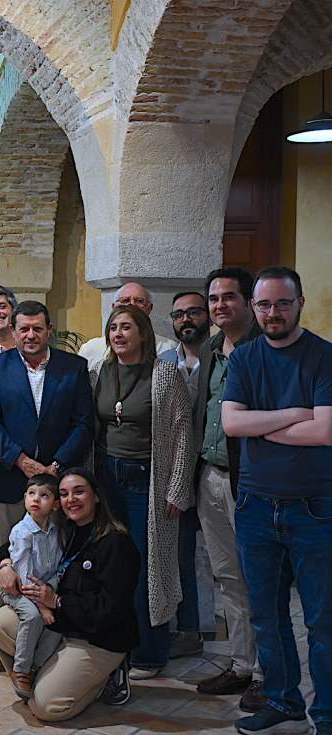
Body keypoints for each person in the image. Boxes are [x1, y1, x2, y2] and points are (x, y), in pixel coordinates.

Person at [223, 266, 332, 735]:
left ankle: (326, 715)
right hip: (255, 505)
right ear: (254, 307)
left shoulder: (324, 356)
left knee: (322, 620)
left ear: (299, 303)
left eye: (283, 303)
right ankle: (283, 703)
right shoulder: (245, 358)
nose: (273, 313)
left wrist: (263, 425)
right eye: (264, 304)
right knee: (266, 616)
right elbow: (232, 424)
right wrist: (293, 414)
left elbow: (324, 431)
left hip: (315, 506)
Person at [0, 300, 93, 664]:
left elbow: (84, 423)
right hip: (7, 476)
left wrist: (56, 466)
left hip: (57, 483)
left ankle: (52, 631)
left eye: (38, 328)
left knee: (55, 558)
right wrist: (21, 460)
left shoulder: (73, 367)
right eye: (24, 329)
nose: (31, 335)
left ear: (49, 329)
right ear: (13, 330)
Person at [0, 469, 140, 721]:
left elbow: (108, 611)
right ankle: (40, 675)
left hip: (98, 637)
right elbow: (12, 544)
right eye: (64, 494)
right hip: (62, 625)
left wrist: (57, 601)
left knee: (45, 707)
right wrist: (5, 565)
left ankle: (106, 677)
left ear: (96, 496)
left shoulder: (117, 544)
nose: (72, 499)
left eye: (79, 492)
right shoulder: (63, 528)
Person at [91, 304, 193, 681]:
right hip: (107, 477)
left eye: (126, 328)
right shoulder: (101, 372)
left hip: (147, 480)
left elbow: (183, 433)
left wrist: (176, 488)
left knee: (147, 567)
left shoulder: (164, 374)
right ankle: (118, 646)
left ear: (143, 334)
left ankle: (150, 652)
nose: (118, 334)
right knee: (114, 563)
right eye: (113, 328)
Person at [189, 267, 263, 709]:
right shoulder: (211, 350)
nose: (219, 305)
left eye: (229, 297)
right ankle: (241, 665)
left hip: (249, 481)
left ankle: (268, 674)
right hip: (211, 477)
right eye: (214, 298)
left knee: (260, 579)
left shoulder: (265, 349)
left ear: (249, 301)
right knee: (229, 578)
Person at [158, 291, 211, 661]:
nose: (186, 320)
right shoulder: (163, 362)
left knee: (222, 561)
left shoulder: (221, 357)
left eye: (194, 312)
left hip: (214, 469)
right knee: (179, 555)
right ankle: (185, 628)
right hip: (175, 472)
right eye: (179, 315)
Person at [2, 476, 64, 699]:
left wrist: (50, 592)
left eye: (44, 495)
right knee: (33, 617)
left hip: (44, 588)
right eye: (31, 494)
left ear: (55, 504)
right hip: (19, 588)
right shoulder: (22, 532)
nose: (36, 499)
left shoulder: (55, 531)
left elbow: (58, 568)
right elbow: (24, 576)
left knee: (58, 621)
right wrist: (43, 606)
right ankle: (21, 670)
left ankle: (37, 666)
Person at [77, 282, 178, 370]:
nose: (131, 305)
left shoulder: (168, 348)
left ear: (149, 308)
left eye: (139, 301)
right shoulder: (91, 349)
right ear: (113, 307)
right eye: (125, 300)